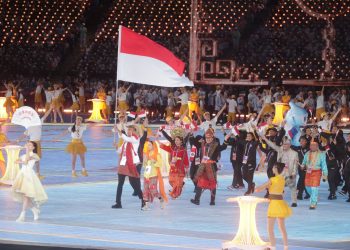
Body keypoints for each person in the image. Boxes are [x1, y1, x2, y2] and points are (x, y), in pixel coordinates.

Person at [255, 162, 292, 250]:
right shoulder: (282, 179)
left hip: (274, 205)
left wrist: (255, 187)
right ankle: (286, 247)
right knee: (282, 228)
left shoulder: (272, 179)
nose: (272, 168)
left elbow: (259, 189)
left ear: (276, 168)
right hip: (281, 204)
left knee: (270, 228)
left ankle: (272, 247)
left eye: (273, 167)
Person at [190, 128, 228, 205]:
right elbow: (193, 142)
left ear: (212, 137)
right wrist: (191, 134)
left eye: (209, 138)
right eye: (206, 138)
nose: (208, 139)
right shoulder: (202, 143)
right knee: (200, 182)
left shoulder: (216, 145)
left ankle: (212, 201)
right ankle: (197, 200)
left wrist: (226, 139)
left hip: (212, 167)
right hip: (203, 167)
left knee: (212, 184)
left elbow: (223, 147)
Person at [12, 141, 48, 222]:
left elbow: (25, 162)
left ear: (33, 147)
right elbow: (16, 161)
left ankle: (22, 215)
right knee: (24, 196)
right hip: (22, 175)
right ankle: (34, 209)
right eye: (27, 144)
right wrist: (22, 159)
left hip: (29, 176)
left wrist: (26, 153)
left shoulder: (35, 155)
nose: (28, 145)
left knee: (25, 196)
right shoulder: (23, 155)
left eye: (30, 145)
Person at [112, 124, 146, 209]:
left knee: (135, 185)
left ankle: (143, 200)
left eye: (130, 130)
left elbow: (126, 138)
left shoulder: (135, 139)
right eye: (128, 130)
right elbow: (119, 152)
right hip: (123, 164)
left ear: (134, 131)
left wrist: (118, 130)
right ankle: (118, 202)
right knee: (120, 184)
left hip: (131, 164)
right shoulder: (126, 141)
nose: (128, 131)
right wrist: (116, 147)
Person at [262, 136, 299, 207]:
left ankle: (294, 201)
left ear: (290, 145)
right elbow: (272, 145)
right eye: (283, 144)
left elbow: (295, 164)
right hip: (280, 173)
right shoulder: (280, 150)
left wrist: (294, 173)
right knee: (275, 186)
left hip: (290, 173)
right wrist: (265, 139)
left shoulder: (294, 153)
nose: (284, 145)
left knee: (292, 187)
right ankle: (273, 200)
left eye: (286, 144)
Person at [159, 127, 189, 199]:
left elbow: (186, 159)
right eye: (175, 140)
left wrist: (186, 167)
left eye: (177, 140)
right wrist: (160, 144)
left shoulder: (183, 150)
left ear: (181, 141)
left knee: (178, 182)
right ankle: (177, 189)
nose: (176, 141)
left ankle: (175, 194)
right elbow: (167, 148)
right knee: (171, 180)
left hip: (180, 168)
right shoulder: (173, 148)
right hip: (173, 167)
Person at [301, 140, 328, 209]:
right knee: (307, 187)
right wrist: (302, 165)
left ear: (317, 146)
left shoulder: (321, 154)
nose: (312, 146)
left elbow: (324, 165)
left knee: (314, 188)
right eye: (311, 145)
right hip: (308, 172)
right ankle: (315, 196)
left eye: (314, 145)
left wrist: (325, 174)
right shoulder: (307, 153)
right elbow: (304, 162)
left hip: (317, 172)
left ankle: (313, 203)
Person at [142, 141, 167, 210]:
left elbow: (160, 164)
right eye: (147, 145)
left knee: (154, 190)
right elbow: (145, 166)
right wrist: (144, 162)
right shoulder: (146, 154)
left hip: (153, 175)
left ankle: (161, 199)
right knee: (145, 190)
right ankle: (146, 206)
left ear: (153, 145)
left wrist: (154, 161)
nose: (148, 146)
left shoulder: (157, 154)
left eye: (149, 145)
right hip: (146, 175)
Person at [292, 136, 310, 200]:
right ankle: (308, 193)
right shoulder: (298, 148)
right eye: (300, 141)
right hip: (300, 167)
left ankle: (300, 194)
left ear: (306, 141)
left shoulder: (309, 149)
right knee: (303, 179)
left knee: (302, 180)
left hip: (307, 167)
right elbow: (291, 146)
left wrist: (306, 165)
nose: (301, 142)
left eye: (303, 140)